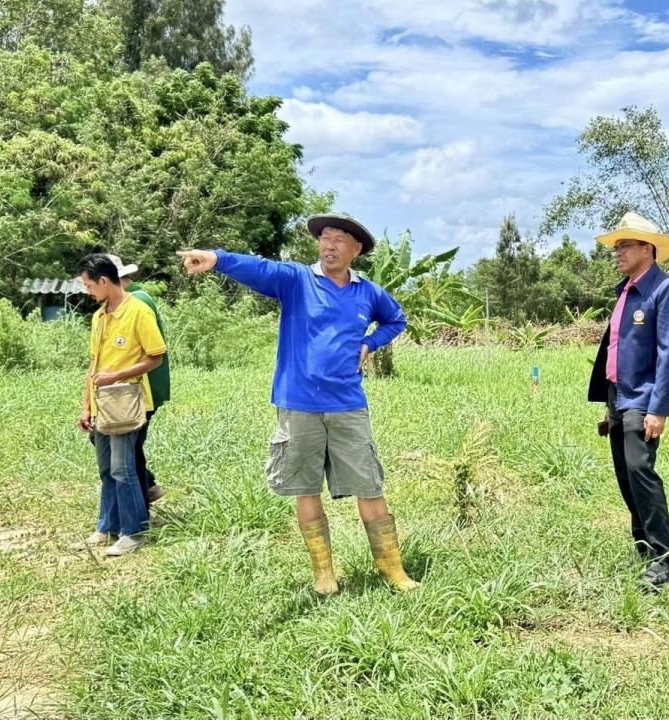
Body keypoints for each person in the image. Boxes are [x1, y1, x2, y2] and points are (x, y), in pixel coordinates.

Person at [176, 213, 419, 594]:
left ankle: (392, 568)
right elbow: (261, 269)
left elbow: (396, 320)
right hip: (297, 403)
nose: (330, 244)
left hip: (348, 405)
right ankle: (324, 573)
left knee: (369, 485)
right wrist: (218, 258)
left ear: (355, 250)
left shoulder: (367, 293)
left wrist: (369, 344)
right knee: (306, 488)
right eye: (325, 237)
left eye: (340, 239)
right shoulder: (296, 280)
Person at [587, 211, 669, 588]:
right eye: (616, 246)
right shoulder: (625, 292)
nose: (618, 252)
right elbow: (617, 350)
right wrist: (608, 405)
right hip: (618, 397)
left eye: (625, 245)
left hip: (643, 399)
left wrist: (658, 408)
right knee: (625, 476)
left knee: (641, 473)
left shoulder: (666, 290)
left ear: (648, 249)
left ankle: (664, 559)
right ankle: (644, 549)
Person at [77, 254, 167, 557]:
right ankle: (107, 526)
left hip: (127, 402)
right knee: (105, 467)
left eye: (89, 285)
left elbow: (156, 356)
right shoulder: (99, 316)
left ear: (104, 281)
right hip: (102, 403)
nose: (87, 291)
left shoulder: (138, 311)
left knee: (123, 467)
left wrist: (118, 375)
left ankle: (134, 531)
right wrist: (85, 406)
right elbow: (94, 364)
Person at [107, 255, 169, 506]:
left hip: (143, 387)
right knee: (130, 444)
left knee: (129, 445)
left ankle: (144, 493)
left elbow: (152, 353)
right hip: (133, 385)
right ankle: (148, 487)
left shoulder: (138, 301)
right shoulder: (127, 301)